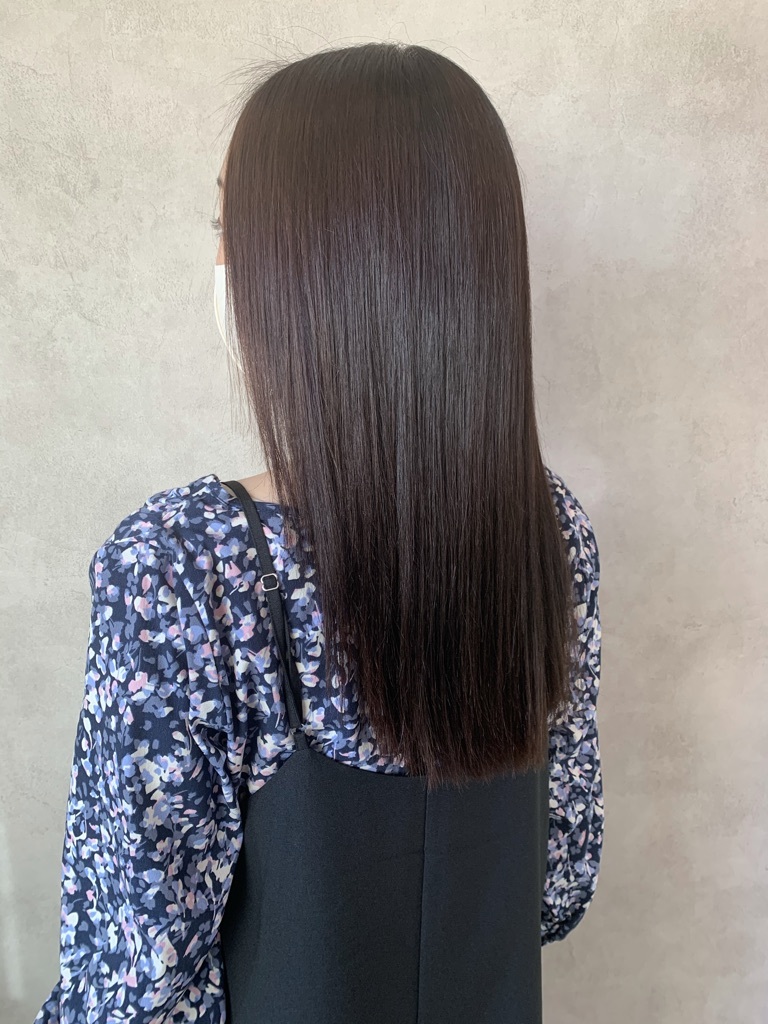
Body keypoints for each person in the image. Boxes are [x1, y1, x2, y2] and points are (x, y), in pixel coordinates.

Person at [34, 41, 603, 1024]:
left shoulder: (184, 567)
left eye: (229, 224)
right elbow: (558, 879)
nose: (220, 258)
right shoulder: (549, 530)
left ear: (315, 268)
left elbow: (132, 986)